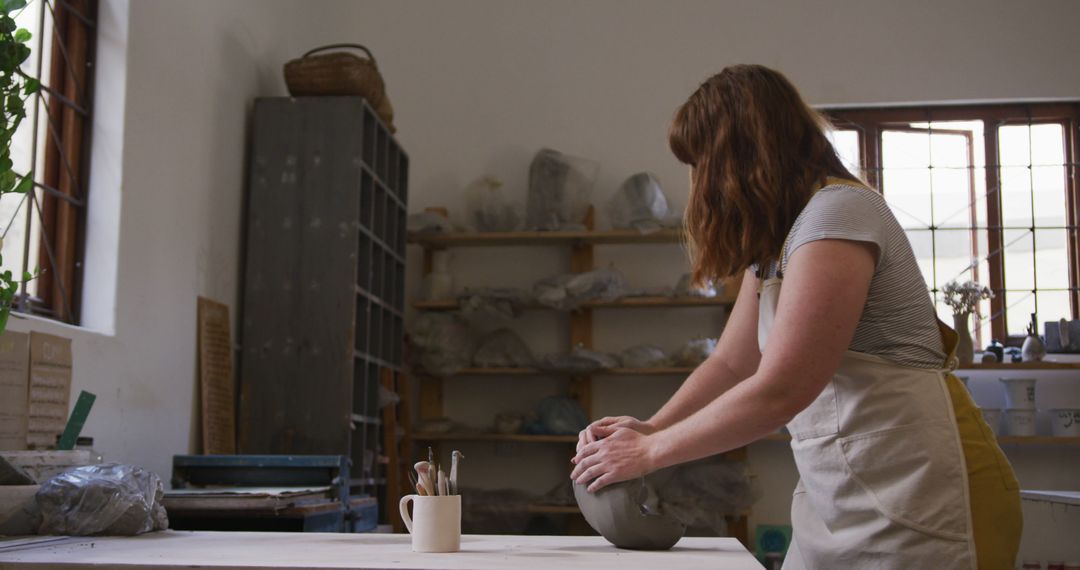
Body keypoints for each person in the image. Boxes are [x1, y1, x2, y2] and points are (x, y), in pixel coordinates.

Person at [570, 64, 1022, 569]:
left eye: (702, 162)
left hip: (922, 495)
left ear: (742, 156)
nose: (699, 182)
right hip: (845, 498)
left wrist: (651, 455)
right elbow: (731, 365)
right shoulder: (778, 243)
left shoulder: (838, 212)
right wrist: (652, 429)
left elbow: (782, 387)